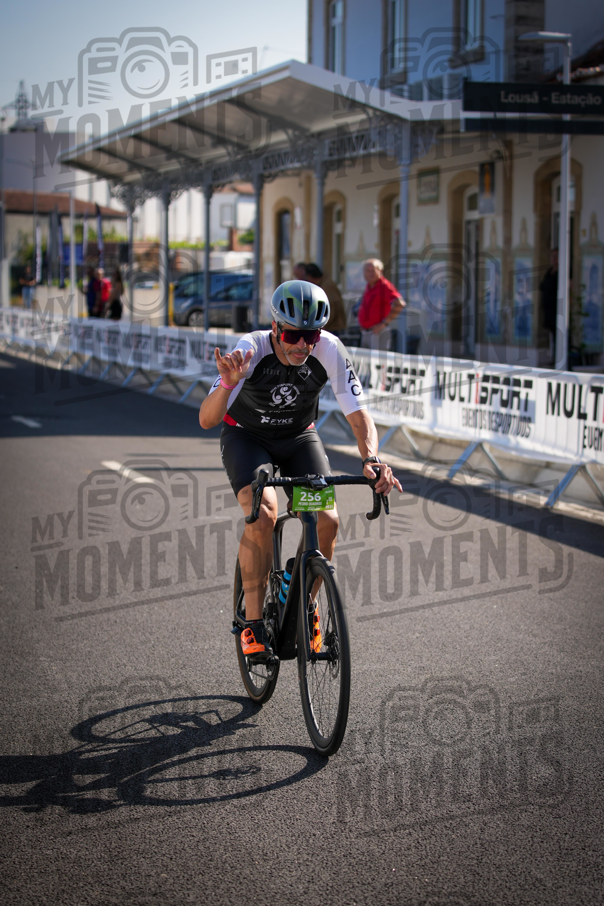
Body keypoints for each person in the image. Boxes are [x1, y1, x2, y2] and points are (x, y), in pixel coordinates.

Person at [198, 279, 402, 658]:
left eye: (311, 336)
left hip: (297, 437)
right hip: (247, 437)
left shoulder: (330, 350)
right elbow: (207, 419)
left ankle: (303, 604)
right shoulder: (252, 348)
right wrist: (227, 384)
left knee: (327, 521)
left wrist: (371, 458)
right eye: (293, 335)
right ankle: (253, 625)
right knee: (263, 514)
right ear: (275, 327)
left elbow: (359, 415)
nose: (303, 345)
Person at [356, 258, 405, 350]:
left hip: (378, 332)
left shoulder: (384, 286)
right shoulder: (369, 285)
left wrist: (383, 323)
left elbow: (400, 304)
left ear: (380, 271)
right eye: (367, 271)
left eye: (373, 270)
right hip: (366, 332)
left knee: (378, 359)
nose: (370, 273)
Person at [304, 262, 347, 335]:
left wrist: (322, 325)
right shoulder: (322, 284)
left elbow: (331, 308)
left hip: (332, 328)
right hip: (329, 327)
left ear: (310, 276)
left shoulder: (327, 286)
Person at [540, 249, 558, 361]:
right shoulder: (549, 272)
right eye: (552, 256)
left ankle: (559, 357)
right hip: (548, 309)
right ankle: (553, 356)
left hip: (557, 310)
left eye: (556, 256)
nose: (554, 259)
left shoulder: (563, 271)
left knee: (558, 333)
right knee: (552, 332)